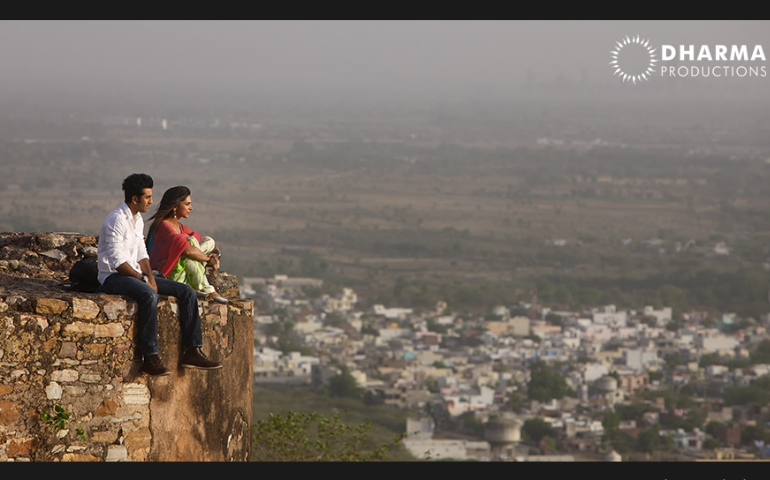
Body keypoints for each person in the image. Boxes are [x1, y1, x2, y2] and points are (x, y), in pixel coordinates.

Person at [96, 173, 223, 376]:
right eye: (147, 197)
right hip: (113, 277)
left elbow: (141, 253)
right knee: (149, 294)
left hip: (137, 274)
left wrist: (151, 276)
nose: (151, 201)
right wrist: (144, 280)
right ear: (135, 199)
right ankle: (150, 356)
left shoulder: (137, 220)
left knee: (187, 293)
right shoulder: (116, 220)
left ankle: (192, 350)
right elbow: (118, 263)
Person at [145, 186, 227, 304]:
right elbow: (187, 251)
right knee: (188, 244)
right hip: (165, 276)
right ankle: (207, 289)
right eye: (187, 204)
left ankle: (197, 286)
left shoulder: (180, 227)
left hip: (182, 275)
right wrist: (208, 259)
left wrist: (215, 255)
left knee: (208, 240)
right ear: (175, 206)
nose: (191, 208)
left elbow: (213, 246)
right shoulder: (163, 226)